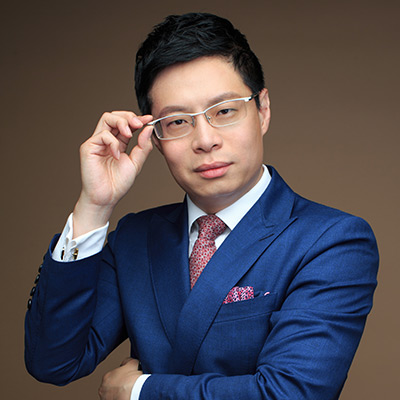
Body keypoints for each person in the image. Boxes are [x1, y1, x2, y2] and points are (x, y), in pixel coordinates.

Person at [24, 12, 379, 400]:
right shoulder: (135, 238)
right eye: (178, 121)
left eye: (224, 111)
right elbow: (53, 361)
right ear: (155, 138)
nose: (205, 140)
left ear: (262, 110)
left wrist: (141, 391)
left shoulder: (331, 240)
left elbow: (294, 392)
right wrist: (94, 206)